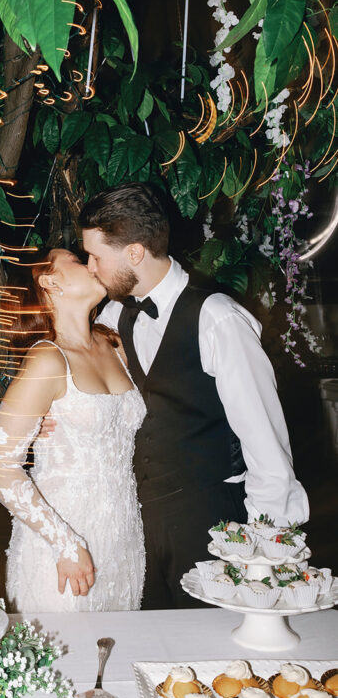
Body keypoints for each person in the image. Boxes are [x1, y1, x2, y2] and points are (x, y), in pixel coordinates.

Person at [72, 182, 309, 609]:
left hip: (211, 523)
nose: (90, 267)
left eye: (95, 256)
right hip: (138, 524)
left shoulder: (218, 319)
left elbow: (266, 443)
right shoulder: (112, 313)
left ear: (134, 253)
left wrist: (264, 550)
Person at [0, 248, 147, 613]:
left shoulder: (114, 343)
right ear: (50, 281)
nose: (90, 264)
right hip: (60, 544)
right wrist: (66, 544)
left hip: (122, 536)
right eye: (75, 259)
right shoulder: (47, 360)